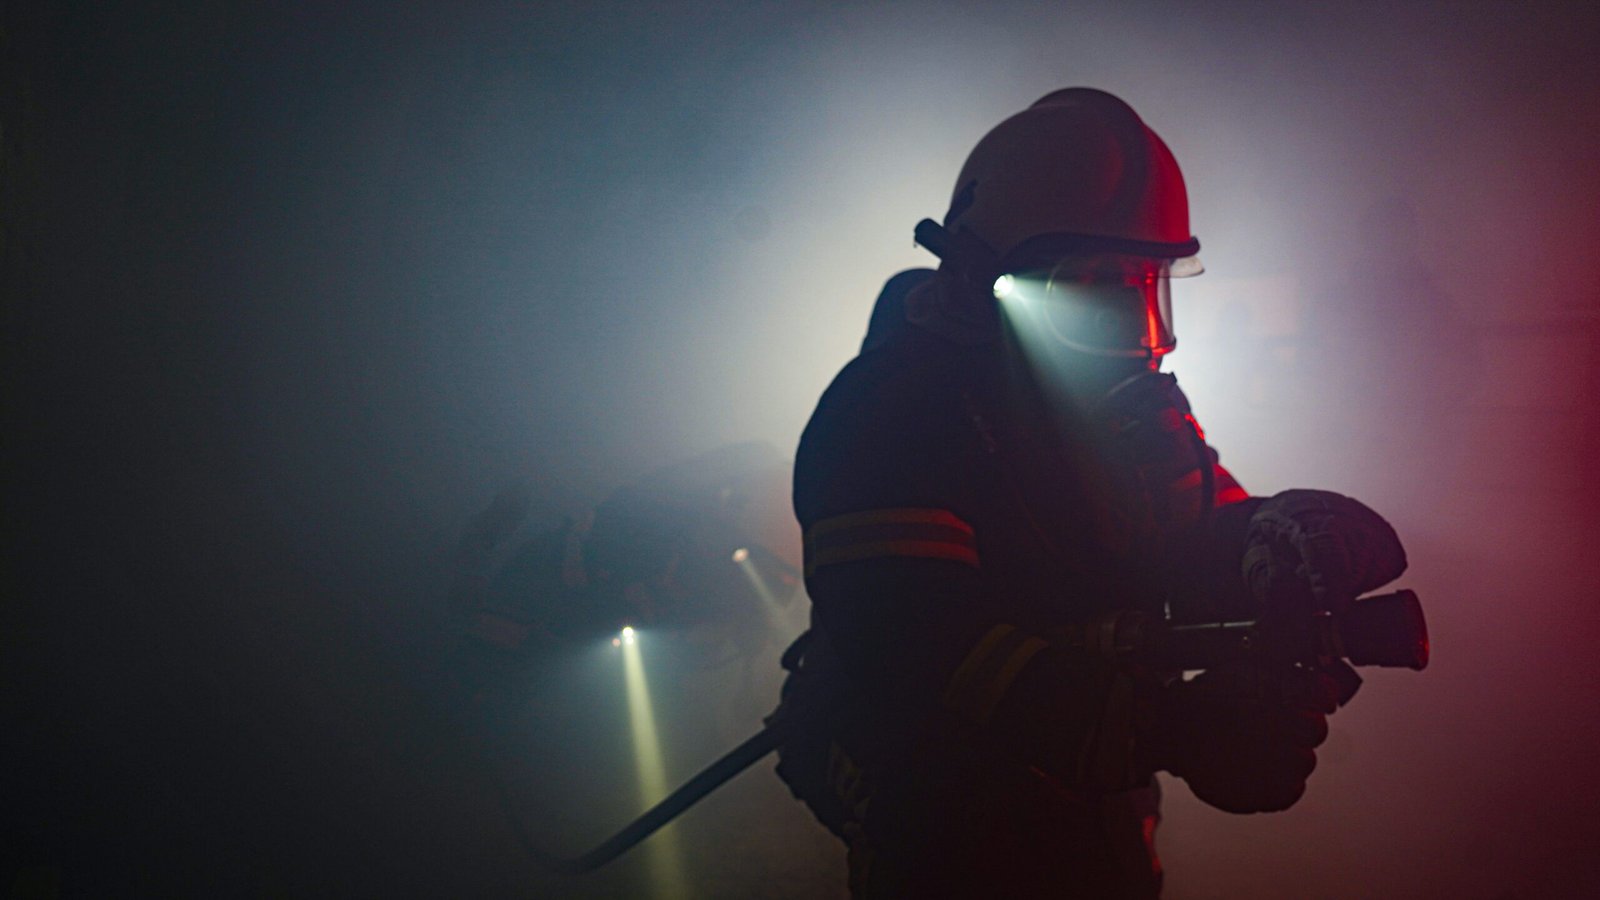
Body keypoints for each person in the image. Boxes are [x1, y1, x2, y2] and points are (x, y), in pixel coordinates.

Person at [773, 88, 1408, 898]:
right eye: (1095, 289)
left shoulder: (1115, 403)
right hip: (933, 784)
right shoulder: (888, 411)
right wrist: (1170, 731)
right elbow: (917, 642)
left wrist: (1281, 534)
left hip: (1089, 775)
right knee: (958, 833)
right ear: (982, 280)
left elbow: (1191, 530)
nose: (1134, 329)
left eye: (1146, 286)